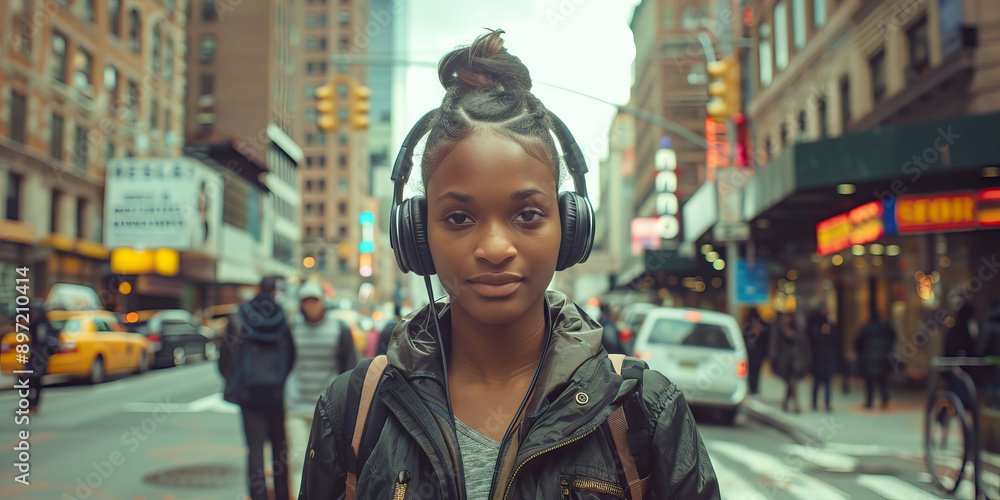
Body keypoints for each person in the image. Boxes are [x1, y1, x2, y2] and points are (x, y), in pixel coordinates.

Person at [299, 30, 719, 499]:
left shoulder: (645, 411)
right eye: (459, 217)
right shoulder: (353, 410)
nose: (495, 248)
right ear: (416, 235)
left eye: (527, 215)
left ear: (570, 227)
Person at [220, 276, 296, 500]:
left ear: (257, 289)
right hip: (277, 394)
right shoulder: (284, 317)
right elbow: (292, 355)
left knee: (254, 450)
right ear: (275, 291)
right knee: (280, 449)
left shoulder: (239, 315)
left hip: (249, 394)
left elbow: (226, 357)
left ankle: (258, 495)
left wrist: (237, 381)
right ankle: (282, 493)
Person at [286, 281, 357, 498]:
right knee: (296, 460)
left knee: (326, 462)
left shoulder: (339, 328)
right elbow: (285, 360)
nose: (310, 306)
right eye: (305, 301)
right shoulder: (292, 327)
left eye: (314, 300)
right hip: (296, 402)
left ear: (322, 302)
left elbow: (350, 366)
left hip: (328, 409)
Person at [854, 311, 897, 410]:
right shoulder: (885, 328)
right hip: (883, 357)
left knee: (869, 381)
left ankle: (869, 402)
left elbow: (858, 342)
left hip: (869, 357)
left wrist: (861, 353)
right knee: (883, 380)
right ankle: (885, 401)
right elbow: (893, 337)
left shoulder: (866, 328)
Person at [25, 299, 60, 415]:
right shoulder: (34, 324)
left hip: (40, 357)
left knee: (35, 381)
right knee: (29, 380)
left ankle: (34, 405)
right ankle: (31, 405)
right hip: (35, 356)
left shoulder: (42, 324)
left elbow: (42, 339)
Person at [769, 312, 810, 413]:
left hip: (794, 360)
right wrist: (773, 358)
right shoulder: (778, 328)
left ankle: (792, 403)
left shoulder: (796, 328)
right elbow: (773, 344)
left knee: (792, 380)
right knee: (790, 381)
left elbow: (802, 342)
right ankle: (788, 402)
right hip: (783, 360)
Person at [807, 307, 838, 412]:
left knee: (827, 382)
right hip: (818, 358)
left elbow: (834, 338)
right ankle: (815, 404)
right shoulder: (814, 327)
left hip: (827, 358)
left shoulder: (829, 326)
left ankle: (827, 404)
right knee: (817, 382)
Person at [742, 307, 769, 395]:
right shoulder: (750, 324)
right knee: (753, 370)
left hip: (755, 352)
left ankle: (754, 387)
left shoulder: (751, 323)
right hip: (754, 351)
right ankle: (753, 387)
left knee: (754, 370)